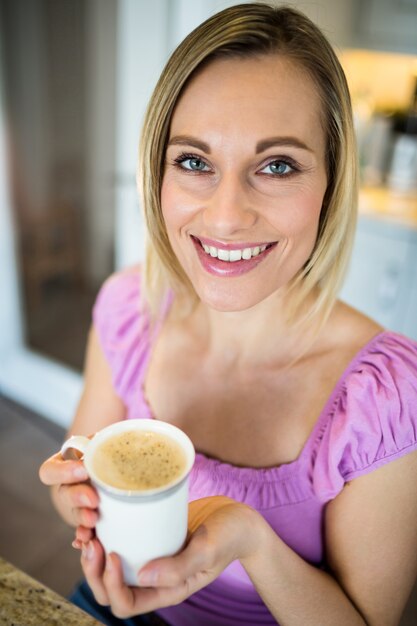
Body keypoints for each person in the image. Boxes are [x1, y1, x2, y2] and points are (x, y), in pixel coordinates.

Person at [39, 3, 417, 626]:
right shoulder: (128, 309)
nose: (224, 216)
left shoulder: (384, 397)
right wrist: (81, 500)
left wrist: (252, 542)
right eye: (193, 161)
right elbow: (76, 481)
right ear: (157, 173)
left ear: (331, 184)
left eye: (277, 166)